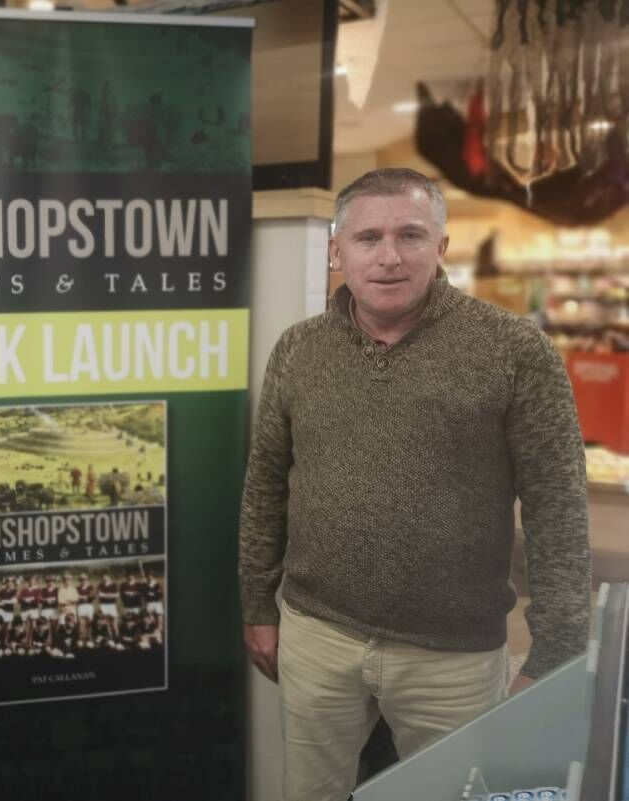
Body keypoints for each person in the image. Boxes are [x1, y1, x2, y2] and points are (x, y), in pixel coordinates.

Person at [238, 168, 590, 801]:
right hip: (318, 634)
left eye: (411, 235)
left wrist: (559, 645)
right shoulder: (299, 348)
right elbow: (266, 482)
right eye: (369, 237)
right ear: (336, 249)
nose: (390, 256)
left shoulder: (514, 350)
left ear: (442, 247)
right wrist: (258, 604)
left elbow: (556, 504)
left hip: (452, 655)